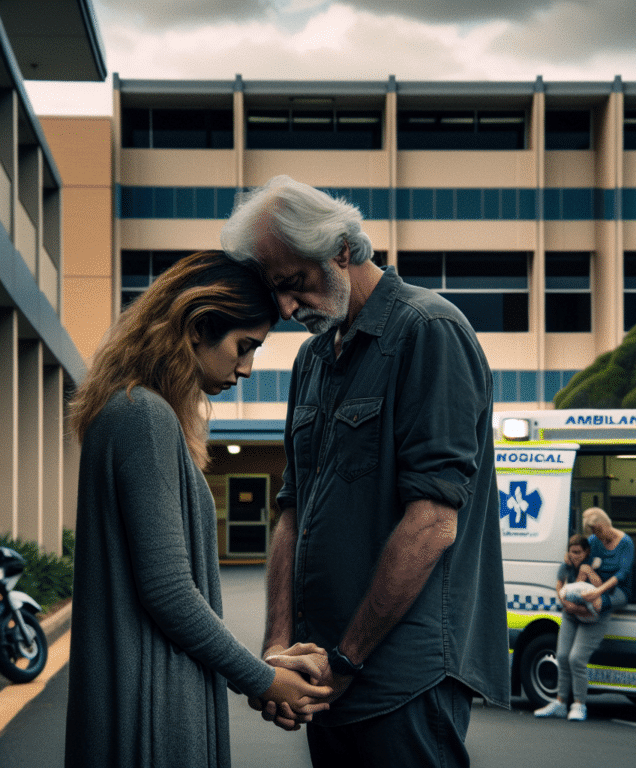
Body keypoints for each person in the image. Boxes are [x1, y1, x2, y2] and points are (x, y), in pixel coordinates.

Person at [221, 176, 510, 767]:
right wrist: (277, 652)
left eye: (295, 284)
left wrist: (347, 661)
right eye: (276, 291)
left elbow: (432, 521)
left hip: (400, 677)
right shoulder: (314, 359)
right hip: (325, 676)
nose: (285, 308)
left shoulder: (430, 331)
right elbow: (291, 511)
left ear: (343, 250)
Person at [64, 251, 332, 768]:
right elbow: (168, 591)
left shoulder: (132, 411)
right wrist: (264, 679)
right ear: (194, 328)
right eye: (243, 346)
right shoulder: (143, 417)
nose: (248, 368)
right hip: (152, 707)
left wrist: (266, 672)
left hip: (144, 695)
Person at [535, 507, 634, 722]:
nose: (596, 536)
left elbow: (623, 573)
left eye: (598, 531)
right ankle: (561, 703)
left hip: (610, 592)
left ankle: (579, 704)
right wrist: (570, 558)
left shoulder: (625, 543)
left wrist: (598, 591)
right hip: (584, 595)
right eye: (593, 532)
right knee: (561, 656)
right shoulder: (593, 541)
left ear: (606, 524)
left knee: (576, 658)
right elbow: (578, 554)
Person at [556, 534, 603, 620]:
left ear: (586, 551)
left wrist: (588, 571)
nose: (575, 556)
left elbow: (600, 587)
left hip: (587, 606)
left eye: (578, 552)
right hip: (571, 606)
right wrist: (565, 603)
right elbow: (559, 585)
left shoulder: (593, 563)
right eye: (572, 552)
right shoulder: (566, 565)